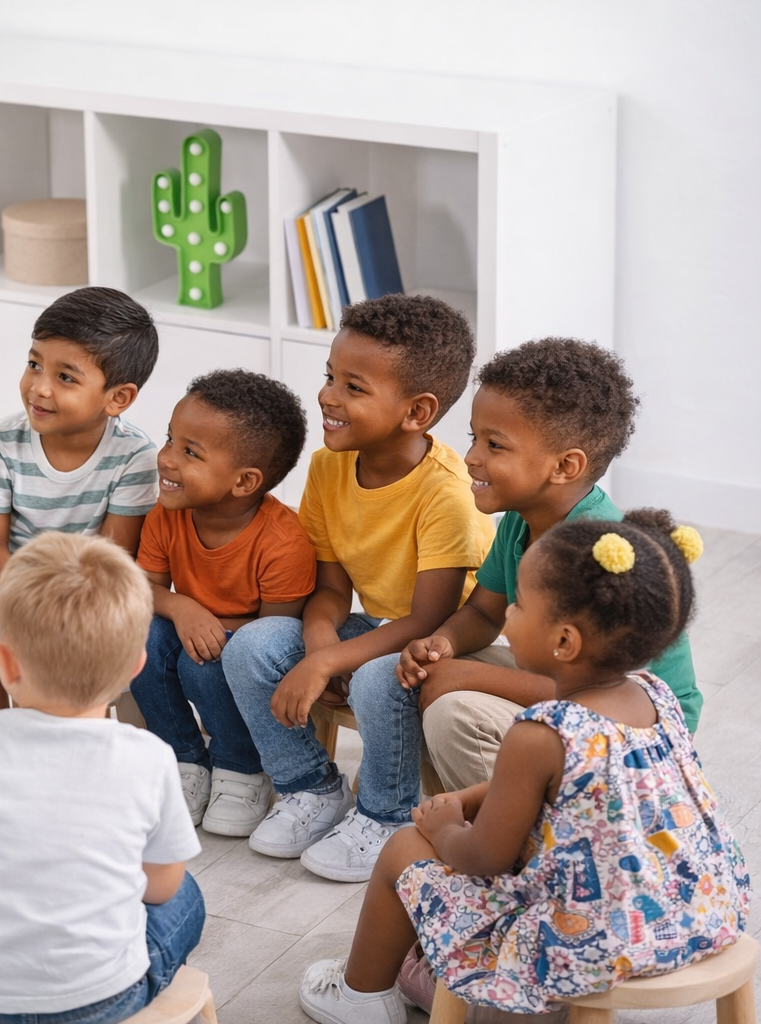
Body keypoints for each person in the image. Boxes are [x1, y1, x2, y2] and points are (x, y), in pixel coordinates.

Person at [298, 512, 750, 1023]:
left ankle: (361, 998)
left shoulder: (540, 733)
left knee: (405, 846)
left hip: (592, 946)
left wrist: (446, 829)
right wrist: (470, 799)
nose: (507, 614)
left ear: (564, 642)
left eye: (519, 605)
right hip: (702, 913)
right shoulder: (655, 692)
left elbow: (484, 858)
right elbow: (572, 787)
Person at [221, 294, 493, 882]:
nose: (327, 395)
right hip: (373, 626)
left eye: (354, 387)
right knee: (253, 643)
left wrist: (336, 660)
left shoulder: (445, 493)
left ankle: (387, 815)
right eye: (329, 376)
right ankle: (311, 787)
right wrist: (321, 648)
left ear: (417, 411)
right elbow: (329, 585)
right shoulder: (328, 465)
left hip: (441, 640)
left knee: (375, 673)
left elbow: (427, 620)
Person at [0, 532, 205, 1024]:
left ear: (5, 663)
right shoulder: (149, 757)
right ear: (135, 668)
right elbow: (161, 888)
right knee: (188, 894)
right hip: (103, 1001)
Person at [400, 338, 701, 797]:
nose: (471, 457)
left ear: (565, 466)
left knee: (455, 711)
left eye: (495, 444)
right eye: (473, 437)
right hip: (572, 683)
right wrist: (445, 643)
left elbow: (600, 689)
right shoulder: (520, 520)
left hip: (636, 730)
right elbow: (484, 614)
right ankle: (449, 812)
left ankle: (518, 842)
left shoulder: (594, 554)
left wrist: (470, 676)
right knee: (428, 670)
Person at [0, 286, 160, 717]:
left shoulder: (134, 457)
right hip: (6, 582)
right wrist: (28, 608)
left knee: (135, 638)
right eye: (34, 364)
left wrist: (62, 613)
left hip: (92, 591)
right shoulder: (1, 440)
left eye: (65, 377)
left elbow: (114, 559)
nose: (38, 388)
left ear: (118, 398)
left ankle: (58, 740)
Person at [129, 370, 316, 836]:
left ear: (244, 481)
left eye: (190, 452)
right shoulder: (166, 516)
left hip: (250, 649)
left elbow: (270, 638)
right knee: (143, 634)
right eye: (171, 440)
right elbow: (144, 587)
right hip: (199, 630)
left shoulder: (283, 541)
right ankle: (182, 759)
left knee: (207, 661)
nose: (167, 460)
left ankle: (241, 768)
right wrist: (183, 609)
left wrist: (203, 622)